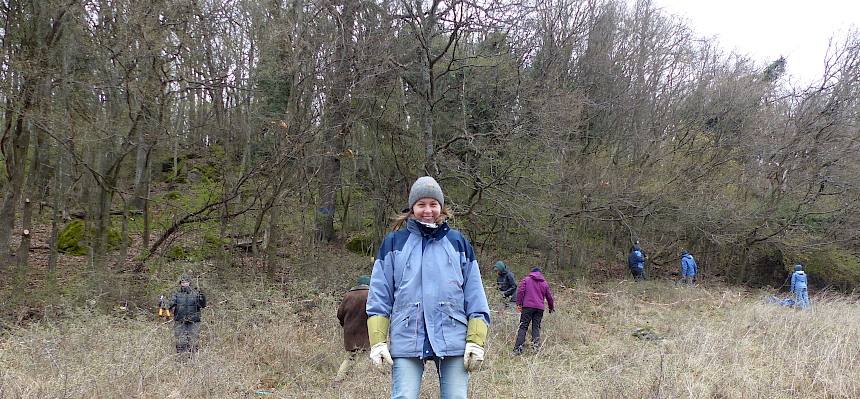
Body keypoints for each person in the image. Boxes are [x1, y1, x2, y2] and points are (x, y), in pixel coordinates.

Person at [366, 176, 491, 399]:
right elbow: (379, 297)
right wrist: (378, 342)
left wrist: (476, 340)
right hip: (407, 336)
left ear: (441, 207)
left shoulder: (458, 243)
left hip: (454, 336)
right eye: (421, 204)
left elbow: (475, 296)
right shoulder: (394, 243)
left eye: (433, 204)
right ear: (412, 208)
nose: (428, 210)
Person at [335, 275, 372, 384]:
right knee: (364, 357)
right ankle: (358, 382)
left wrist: (345, 325)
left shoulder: (348, 296)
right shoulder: (371, 295)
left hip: (349, 334)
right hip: (366, 333)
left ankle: (337, 381)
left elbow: (339, 314)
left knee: (350, 358)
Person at [513, 267, 555, 355]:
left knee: (523, 326)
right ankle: (535, 348)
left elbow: (520, 291)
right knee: (536, 327)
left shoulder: (526, 280)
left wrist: (518, 304)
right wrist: (551, 308)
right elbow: (549, 297)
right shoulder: (544, 283)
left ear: (532, 272)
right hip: (539, 308)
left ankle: (518, 349)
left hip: (527, 307)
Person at [168, 273, 207, 358]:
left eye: (186, 282)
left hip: (194, 322)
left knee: (193, 341)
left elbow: (202, 306)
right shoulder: (176, 294)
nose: (185, 283)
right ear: (180, 283)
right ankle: (181, 361)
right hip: (180, 321)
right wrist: (164, 304)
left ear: (190, 282)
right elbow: (170, 304)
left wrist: (202, 298)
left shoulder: (196, 293)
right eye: (183, 282)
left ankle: (193, 362)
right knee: (180, 342)